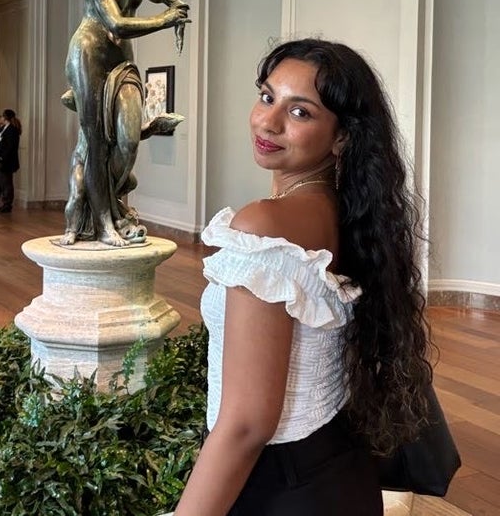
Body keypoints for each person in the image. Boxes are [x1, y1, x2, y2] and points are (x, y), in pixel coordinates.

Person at [174, 38, 432, 516]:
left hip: (281, 486)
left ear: (342, 137)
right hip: (341, 470)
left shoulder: (266, 226)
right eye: (267, 97)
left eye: (300, 112)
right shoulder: (353, 217)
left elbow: (248, 425)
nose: (268, 121)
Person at [60, 0, 189, 247]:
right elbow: (115, 23)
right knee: (96, 141)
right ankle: (104, 221)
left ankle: (111, 202)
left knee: (128, 139)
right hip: (89, 54)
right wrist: (165, 20)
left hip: (121, 59)